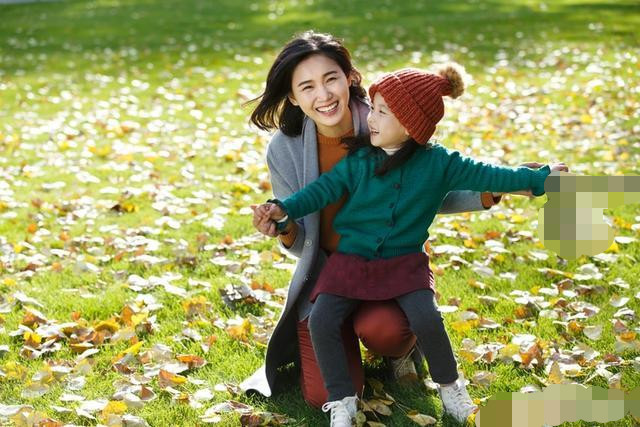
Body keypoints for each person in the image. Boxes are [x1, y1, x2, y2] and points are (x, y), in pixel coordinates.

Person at [252, 63, 567, 426]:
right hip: (351, 261)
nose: (371, 117)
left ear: (411, 125)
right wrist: (284, 208)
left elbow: (493, 174)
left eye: (383, 112)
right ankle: (342, 402)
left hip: (404, 263)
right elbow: (320, 192)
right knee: (322, 319)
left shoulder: (441, 163)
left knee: (427, 317)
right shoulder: (359, 160)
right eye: (373, 107)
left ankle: (451, 390)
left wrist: (541, 178)